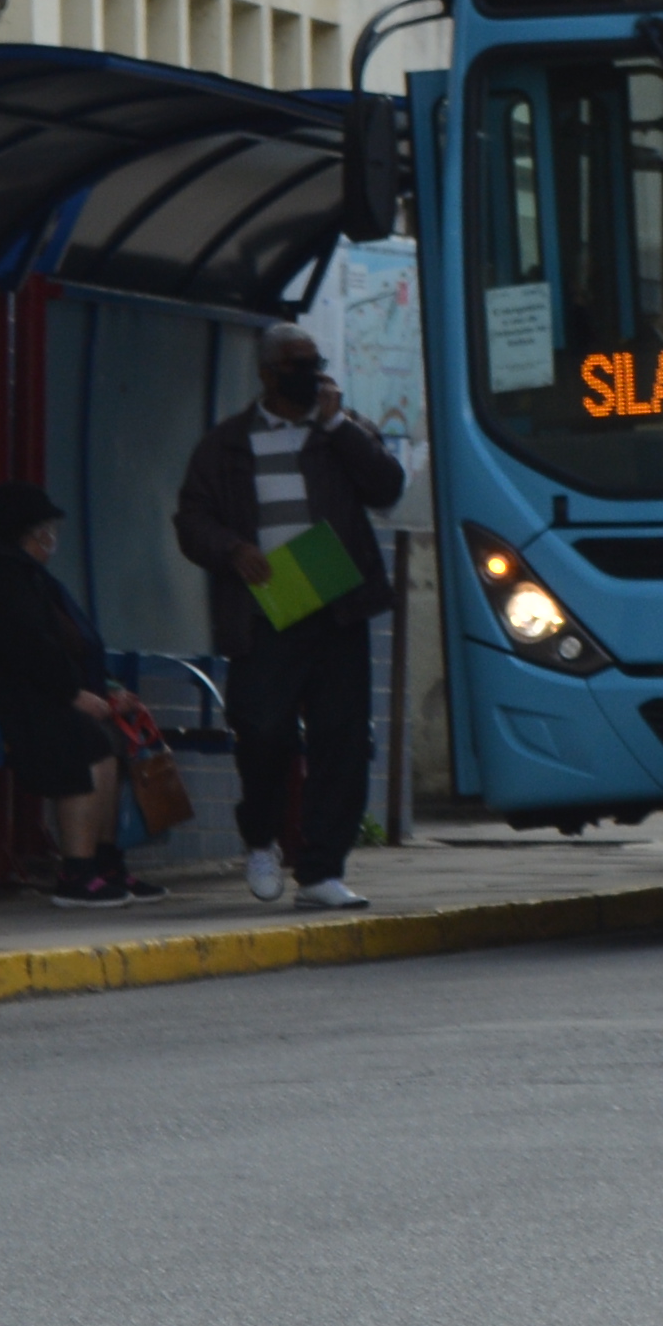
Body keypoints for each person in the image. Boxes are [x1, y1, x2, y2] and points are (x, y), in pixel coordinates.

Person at [174, 323, 403, 909]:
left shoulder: (340, 433)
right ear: (270, 373)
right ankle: (260, 838)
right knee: (263, 732)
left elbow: (385, 485)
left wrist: (336, 425)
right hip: (265, 611)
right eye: (298, 364)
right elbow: (191, 519)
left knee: (342, 740)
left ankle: (323, 869)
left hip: (337, 608)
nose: (311, 374)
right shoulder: (227, 444)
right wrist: (233, 549)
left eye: (317, 362)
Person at [0, 480, 150, 909]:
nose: (50, 540)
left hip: (22, 696)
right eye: (41, 531)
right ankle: (78, 872)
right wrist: (73, 695)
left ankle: (105, 862)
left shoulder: (28, 577)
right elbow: (28, 646)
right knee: (83, 739)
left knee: (108, 738)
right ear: (22, 534)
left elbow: (72, 647)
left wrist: (107, 690)